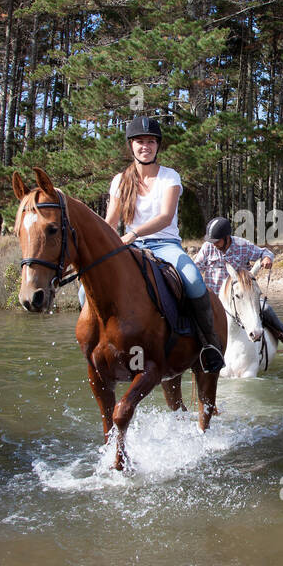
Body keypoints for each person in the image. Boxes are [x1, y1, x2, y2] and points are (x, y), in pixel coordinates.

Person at [101, 115, 225, 373]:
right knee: (85, 290)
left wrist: (133, 233)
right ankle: (100, 343)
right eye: (139, 141)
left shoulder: (170, 177)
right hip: (128, 248)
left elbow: (165, 217)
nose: (145, 146)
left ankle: (208, 345)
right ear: (131, 146)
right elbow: (110, 220)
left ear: (157, 146)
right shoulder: (119, 181)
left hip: (164, 244)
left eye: (150, 141)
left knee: (193, 280)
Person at [193, 217, 283, 351]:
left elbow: (264, 252)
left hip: (243, 298)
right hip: (215, 299)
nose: (214, 244)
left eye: (217, 241)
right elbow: (196, 268)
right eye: (212, 241)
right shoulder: (208, 248)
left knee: (265, 308)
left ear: (227, 237)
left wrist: (267, 258)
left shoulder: (242, 245)